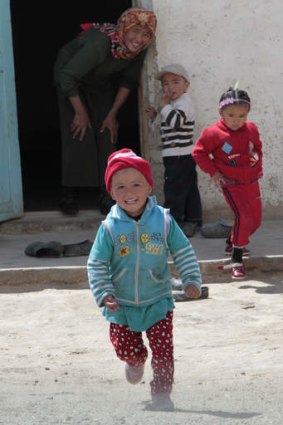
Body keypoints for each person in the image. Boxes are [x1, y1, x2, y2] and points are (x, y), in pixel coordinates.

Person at [87, 148, 202, 411]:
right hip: (122, 304)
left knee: (163, 354)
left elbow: (182, 250)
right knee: (128, 350)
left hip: (158, 300)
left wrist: (191, 280)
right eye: (121, 186)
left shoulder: (163, 220)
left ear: (149, 187)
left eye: (137, 184)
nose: (130, 192)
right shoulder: (109, 228)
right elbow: (97, 263)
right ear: (112, 193)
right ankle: (134, 360)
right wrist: (104, 293)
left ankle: (161, 394)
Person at [54, 8, 157, 215]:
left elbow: (128, 81)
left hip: (99, 80)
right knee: (78, 131)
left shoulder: (138, 49)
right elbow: (67, 77)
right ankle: (68, 194)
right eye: (135, 31)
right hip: (70, 78)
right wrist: (81, 113)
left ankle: (106, 193)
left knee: (107, 131)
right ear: (123, 28)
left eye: (146, 34)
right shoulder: (100, 44)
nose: (139, 39)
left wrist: (112, 114)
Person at [192, 86, 263, 279]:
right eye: (231, 115)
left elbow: (257, 149)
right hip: (231, 183)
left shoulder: (251, 129)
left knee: (255, 221)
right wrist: (214, 172)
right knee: (244, 218)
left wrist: (256, 166)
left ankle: (233, 242)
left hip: (251, 181)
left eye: (241, 116)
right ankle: (237, 259)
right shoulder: (212, 133)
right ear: (220, 112)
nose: (236, 120)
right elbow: (199, 153)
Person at [145, 64, 202, 238]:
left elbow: (175, 122)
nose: (170, 87)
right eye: (166, 83)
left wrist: (164, 106)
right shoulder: (176, 104)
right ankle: (193, 220)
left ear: (186, 85)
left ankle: (173, 223)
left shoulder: (184, 102)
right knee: (189, 188)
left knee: (174, 190)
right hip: (182, 155)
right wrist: (157, 114)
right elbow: (170, 124)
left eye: (176, 82)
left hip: (178, 155)